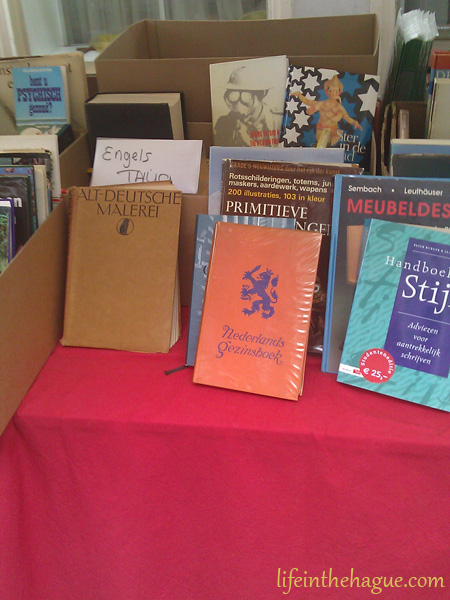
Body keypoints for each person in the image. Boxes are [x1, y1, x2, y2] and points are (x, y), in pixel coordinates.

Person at [213, 65, 280, 147]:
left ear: (261, 94)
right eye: (233, 95)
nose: (238, 104)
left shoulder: (277, 121)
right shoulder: (224, 123)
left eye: (246, 96)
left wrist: (249, 142)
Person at [290, 74, 362, 147]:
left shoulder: (339, 107)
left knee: (328, 146)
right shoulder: (322, 103)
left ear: (339, 93)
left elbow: (347, 117)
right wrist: (299, 95)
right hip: (321, 128)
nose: (333, 93)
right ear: (327, 92)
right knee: (321, 146)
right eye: (330, 91)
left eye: (336, 91)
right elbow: (308, 102)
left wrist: (354, 122)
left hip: (333, 130)